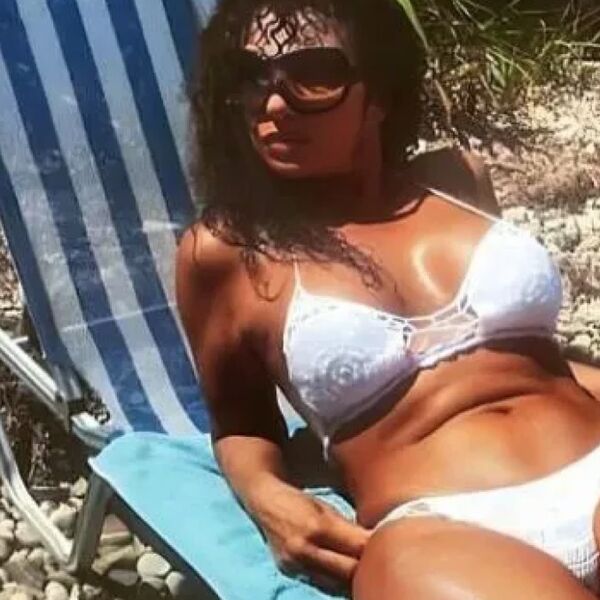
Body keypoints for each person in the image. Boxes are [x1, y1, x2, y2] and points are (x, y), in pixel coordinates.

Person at [176, 0, 600, 597]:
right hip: (438, 535)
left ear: (378, 93)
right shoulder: (230, 252)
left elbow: (525, 360)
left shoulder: (456, 180)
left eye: (313, 74)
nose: (273, 105)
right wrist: (270, 499)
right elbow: (241, 423)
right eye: (249, 77)